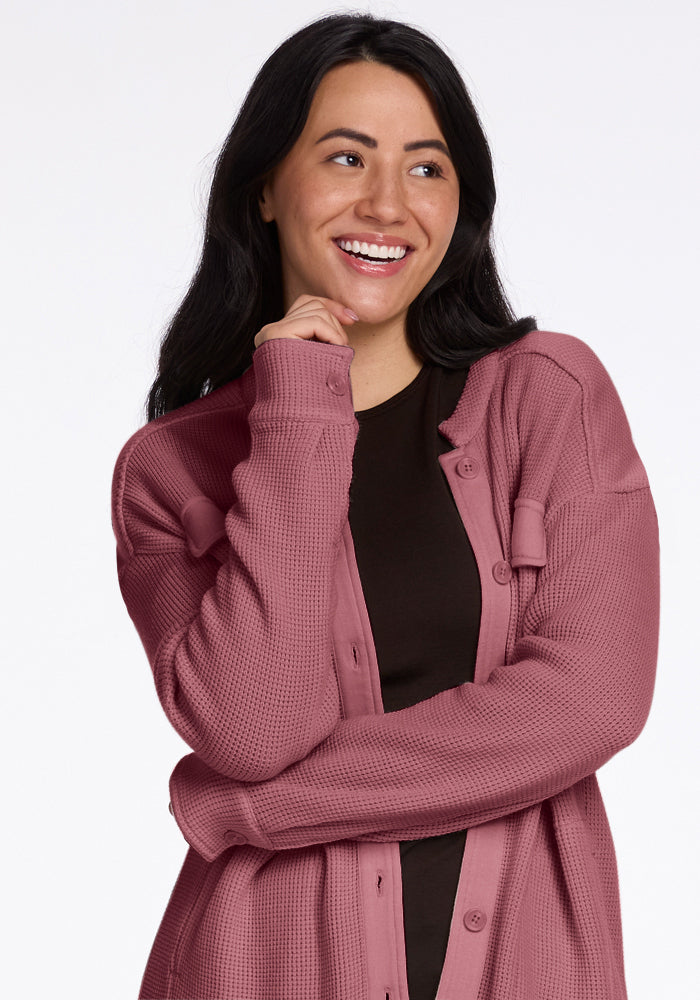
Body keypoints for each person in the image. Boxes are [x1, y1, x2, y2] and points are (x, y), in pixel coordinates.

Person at [110, 12, 660, 1000]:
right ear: (265, 187)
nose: (386, 202)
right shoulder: (171, 472)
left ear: (463, 201)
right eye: (345, 157)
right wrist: (295, 415)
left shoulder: (549, 398)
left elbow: (592, 700)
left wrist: (254, 812)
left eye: (424, 167)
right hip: (260, 966)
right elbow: (252, 726)